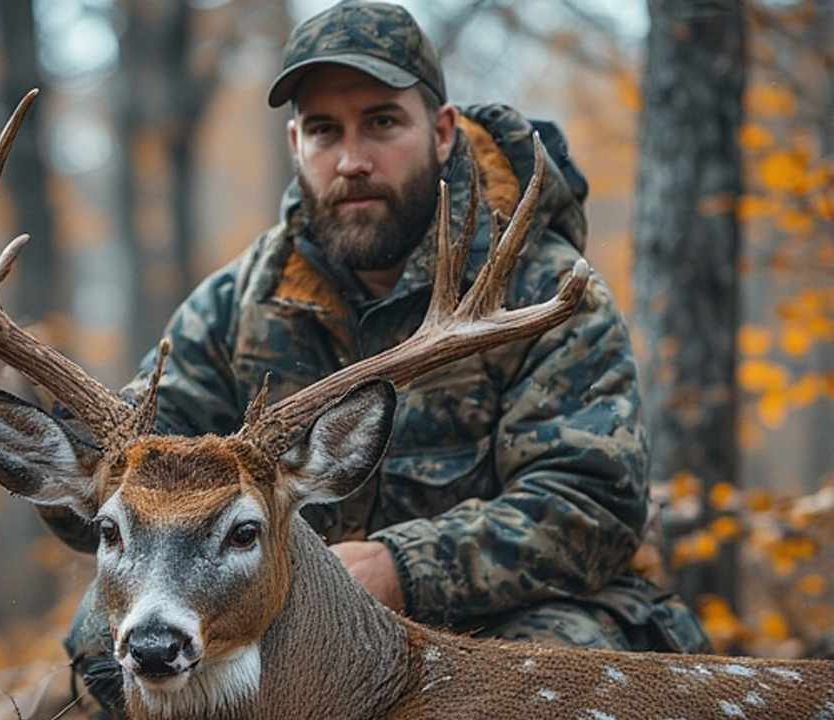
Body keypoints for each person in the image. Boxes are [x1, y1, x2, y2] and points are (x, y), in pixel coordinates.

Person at [48, 0, 711, 712]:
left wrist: (402, 567)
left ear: (444, 131)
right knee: (102, 639)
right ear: (296, 141)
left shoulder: (540, 292)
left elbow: (589, 504)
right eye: (326, 131)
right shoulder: (241, 302)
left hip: (508, 616)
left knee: (542, 672)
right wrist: (65, 457)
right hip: (311, 618)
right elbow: (153, 467)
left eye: (383, 123)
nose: (354, 159)